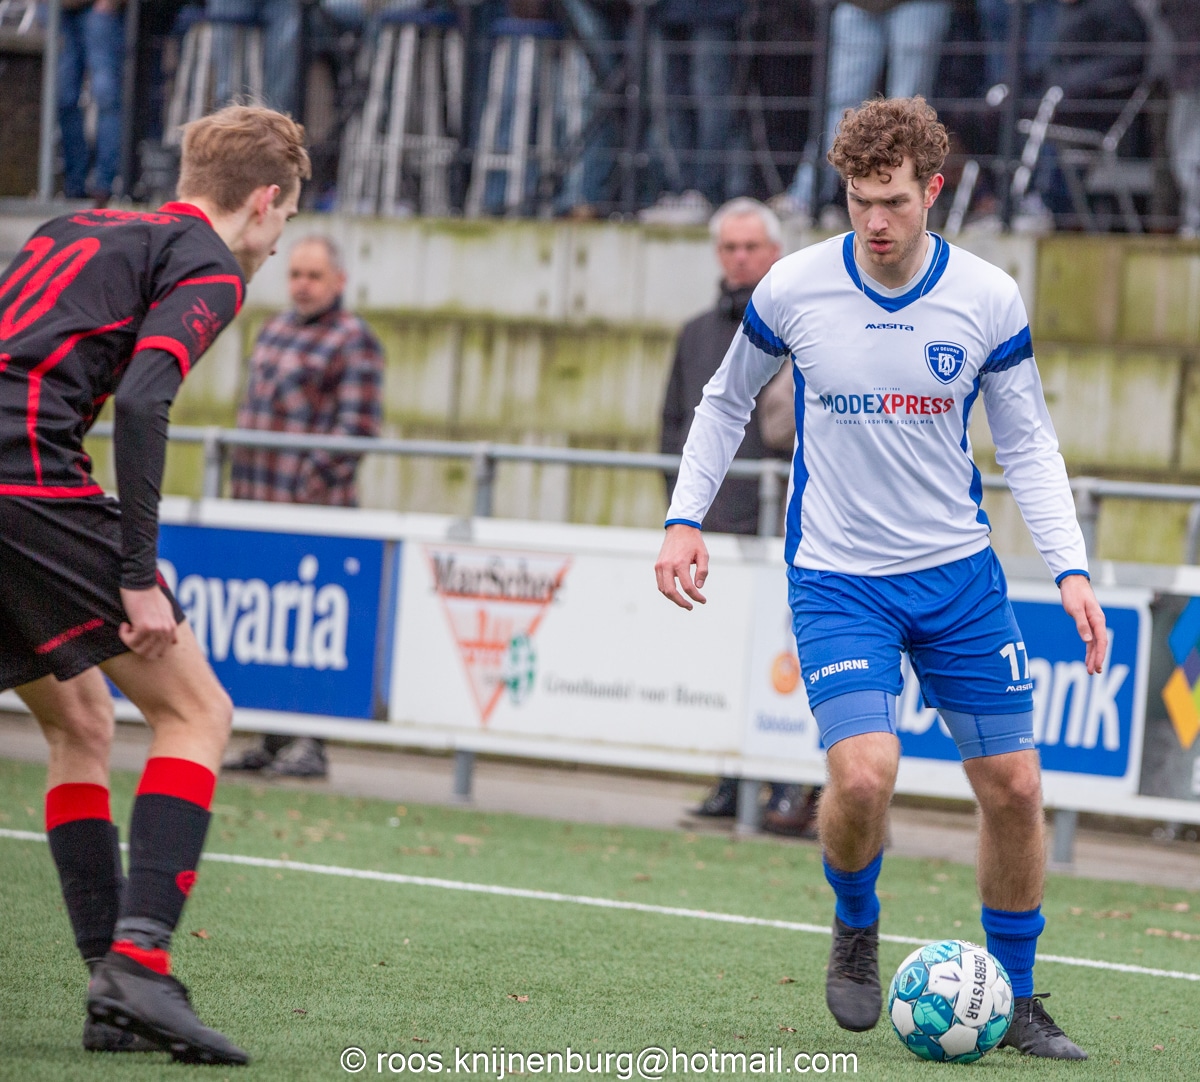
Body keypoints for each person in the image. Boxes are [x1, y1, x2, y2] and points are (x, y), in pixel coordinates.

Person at [654, 96, 1106, 1058]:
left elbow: (1028, 444)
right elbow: (724, 403)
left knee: (1016, 787)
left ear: (932, 190)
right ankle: (855, 922)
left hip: (957, 578)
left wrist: (1070, 568)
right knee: (864, 775)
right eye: (859, 200)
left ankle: (1019, 998)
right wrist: (683, 518)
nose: (875, 220)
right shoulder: (794, 286)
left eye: (894, 200)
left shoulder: (987, 296)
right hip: (838, 579)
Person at [0, 104, 309, 1063]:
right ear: (264, 201)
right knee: (198, 711)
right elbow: (141, 400)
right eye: (287, 218)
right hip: (22, 480)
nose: (278, 240)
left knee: (81, 722)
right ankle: (138, 963)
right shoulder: (209, 263)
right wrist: (138, 574)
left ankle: (110, 990)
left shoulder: (74, 226)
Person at [661, 197, 818, 837]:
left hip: (783, 525)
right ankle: (733, 778)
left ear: (775, 253)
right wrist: (682, 513)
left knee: (788, 661)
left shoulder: (800, 324)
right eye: (730, 247)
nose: (741, 258)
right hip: (717, 526)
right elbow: (674, 424)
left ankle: (795, 786)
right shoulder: (696, 332)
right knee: (727, 660)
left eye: (752, 247)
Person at [222, 234, 384, 779]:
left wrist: (305, 489)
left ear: (339, 281)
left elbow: (356, 430)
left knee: (314, 632)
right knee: (273, 630)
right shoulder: (273, 329)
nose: (302, 285)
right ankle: (272, 738)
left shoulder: (353, 339)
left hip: (313, 514)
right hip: (257, 504)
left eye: (314, 276)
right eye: (295, 274)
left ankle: (311, 741)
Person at [784, 0, 952, 223]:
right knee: (840, 108)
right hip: (858, 5)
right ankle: (804, 199)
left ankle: (901, 203)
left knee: (908, 113)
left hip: (916, 6)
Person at [57, 0, 125, 202]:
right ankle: (74, 184)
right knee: (63, 98)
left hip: (98, 10)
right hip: (61, 12)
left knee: (106, 97)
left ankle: (104, 185)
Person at [1159, 1, 1200, 236]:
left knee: (1188, 155)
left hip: (1191, 80)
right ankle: (1193, 220)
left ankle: (1194, 221)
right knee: (1182, 155)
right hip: (1187, 80)